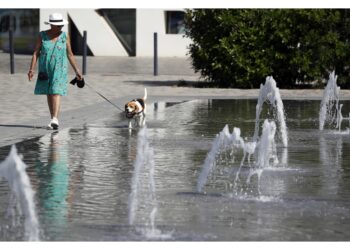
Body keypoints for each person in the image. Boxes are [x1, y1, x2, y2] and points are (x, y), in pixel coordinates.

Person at [27, 13, 83, 130]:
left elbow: (70, 54)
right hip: (45, 69)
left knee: (56, 91)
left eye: (61, 25)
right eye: (58, 25)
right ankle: (53, 118)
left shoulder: (64, 36)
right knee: (49, 92)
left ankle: (55, 119)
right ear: (51, 25)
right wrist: (31, 69)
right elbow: (36, 52)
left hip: (60, 69)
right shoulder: (42, 35)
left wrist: (77, 70)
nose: (60, 27)